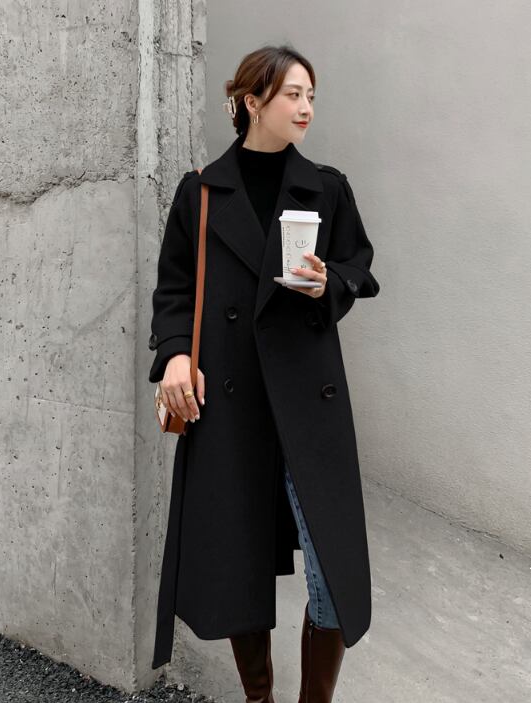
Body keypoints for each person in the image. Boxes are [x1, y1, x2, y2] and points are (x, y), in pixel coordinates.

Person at [148, 44, 380, 703]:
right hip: (233, 401)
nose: (306, 108)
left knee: (332, 568)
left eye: (311, 96)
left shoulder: (326, 187)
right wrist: (175, 354)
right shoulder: (200, 192)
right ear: (253, 102)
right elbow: (173, 289)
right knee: (238, 563)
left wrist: (328, 282)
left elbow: (359, 265)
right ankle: (260, 698)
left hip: (308, 402)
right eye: (293, 95)